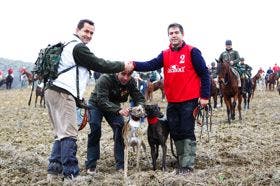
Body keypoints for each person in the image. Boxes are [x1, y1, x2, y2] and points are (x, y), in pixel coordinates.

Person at [44, 19, 134, 182]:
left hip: (51, 91)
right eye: (86, 31)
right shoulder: (78, 48)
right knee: (69, 134)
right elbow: (99, 64)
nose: (89, 35)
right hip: (63, 92)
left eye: (91, 33)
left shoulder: (66, 44)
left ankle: (53, 171)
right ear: (77, 30)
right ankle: (71, 174)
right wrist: (122, 65)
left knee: (60, 133)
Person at [132, 23, 210, 174]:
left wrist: (205, 96)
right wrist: (134, 65)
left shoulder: (192, 51)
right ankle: (181, 159)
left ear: (182, 34)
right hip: (173, 101)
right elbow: (150, 64)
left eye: (176, 32)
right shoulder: (165, 54)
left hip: (189, 99)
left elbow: (204, 74)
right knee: (175, 131)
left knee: (186, 130)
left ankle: (187, 165)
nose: (173, 35)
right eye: (171, 33)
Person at [85, 69, 145, 175]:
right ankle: (91, 164)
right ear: (117, 72)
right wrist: (119, 110)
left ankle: (120, 164)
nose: (126, 77)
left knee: (120, 127)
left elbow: (138, 96)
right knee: (95, 129)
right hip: (96, 104)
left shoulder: (130, 82)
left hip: (114, 105)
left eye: (129, 75)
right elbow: (102, 101)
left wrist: (140, 105)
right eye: (123, 74)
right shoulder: (105, 79)